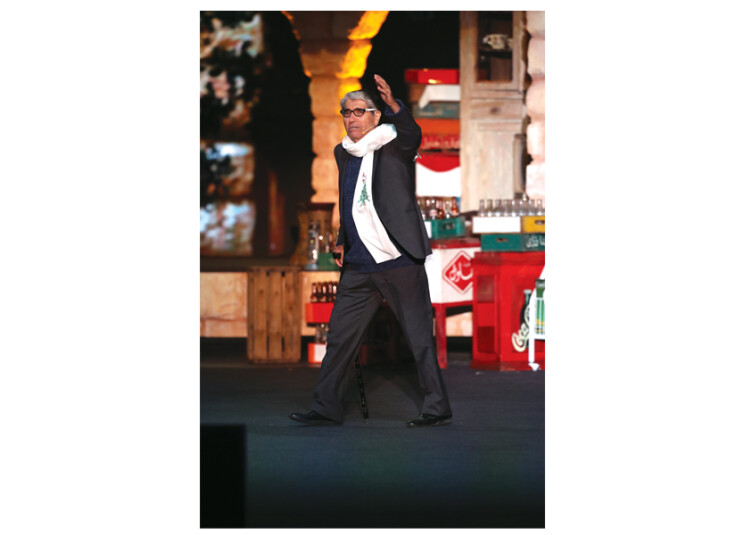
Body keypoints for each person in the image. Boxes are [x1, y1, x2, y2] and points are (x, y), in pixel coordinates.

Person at [289, 74, 452, 428]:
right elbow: (349, 201)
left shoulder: (394, 143)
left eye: (359, 111)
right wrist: (341, 239)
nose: (351, 118)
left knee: (418, 337)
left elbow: (412, 134)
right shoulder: (343, 152)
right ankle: (326, 407)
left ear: (375, 116)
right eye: (346, 112)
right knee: (339, 338)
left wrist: (395, 105)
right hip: (359, 264)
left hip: (398, 258)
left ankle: (437, 407)